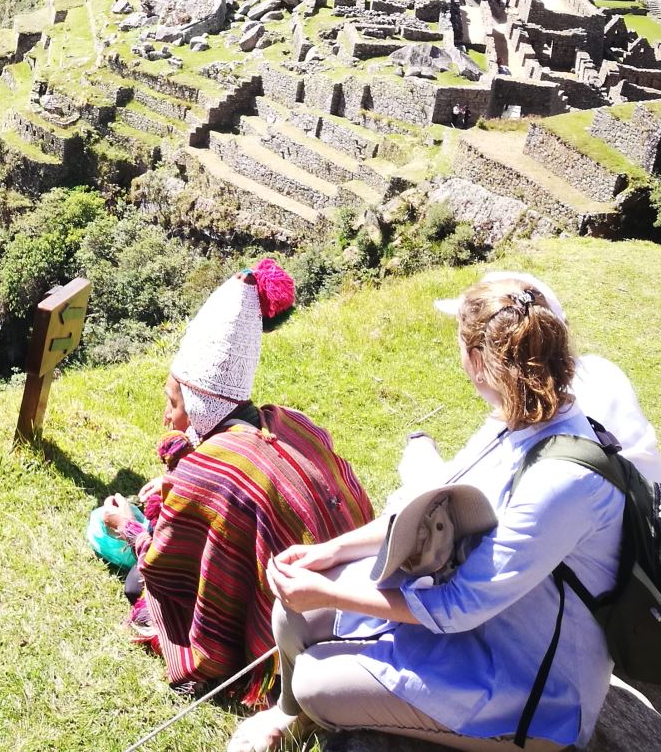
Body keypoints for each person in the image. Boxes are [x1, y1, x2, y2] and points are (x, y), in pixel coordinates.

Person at [232, 276, 625, 751]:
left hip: (528, 692)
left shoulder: (563, 481)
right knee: (294, 614)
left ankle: (319, 707)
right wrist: (327, 553)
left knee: (316, 681)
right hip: (484, 629)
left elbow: (458, 606)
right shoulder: (514, 420)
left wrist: (331, 589)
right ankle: (291, 716)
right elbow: (428, 506)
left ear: (478, 361)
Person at [99, 263, 372, 705]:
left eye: (173, 404)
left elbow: (161, 562)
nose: (168, 417)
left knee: (138, 584)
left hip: (305, 617)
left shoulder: (208, 470)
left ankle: (247, 651)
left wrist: (127, 525)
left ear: (201, 407)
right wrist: (177, 482)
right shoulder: (286, 422)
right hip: (359, 583)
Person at [414, 271, 661, 612]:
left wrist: (420, 454)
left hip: (621, 622)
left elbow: (459, 507)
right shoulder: (599, 376)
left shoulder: (549, 433)